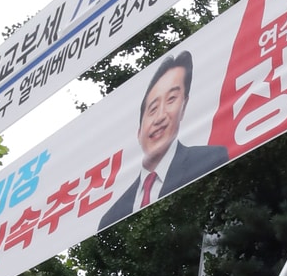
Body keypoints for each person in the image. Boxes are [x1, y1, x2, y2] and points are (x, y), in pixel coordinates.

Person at [97, 50, 228, 229]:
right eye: (152, 109)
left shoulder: (213, 158)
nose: (160, 117)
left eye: (171, 99)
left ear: (184, 106)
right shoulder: (112, 217)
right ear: (138, 131)